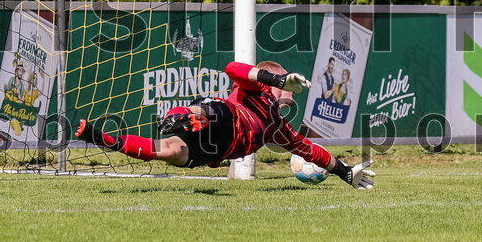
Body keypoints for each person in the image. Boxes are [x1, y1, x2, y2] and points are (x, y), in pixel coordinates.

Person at [76, 60, 375, 189]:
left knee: (169, 152)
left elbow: (311, 151)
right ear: (274, 83)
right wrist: (277, 79)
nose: (294, 90)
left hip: (214, 150)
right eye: (289, 85)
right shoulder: (254, 90)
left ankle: (100, 138)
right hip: (225, 116)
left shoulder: (279, 129)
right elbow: (233, 68)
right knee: (213, 112)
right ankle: (181, 116)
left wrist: (345, 172)